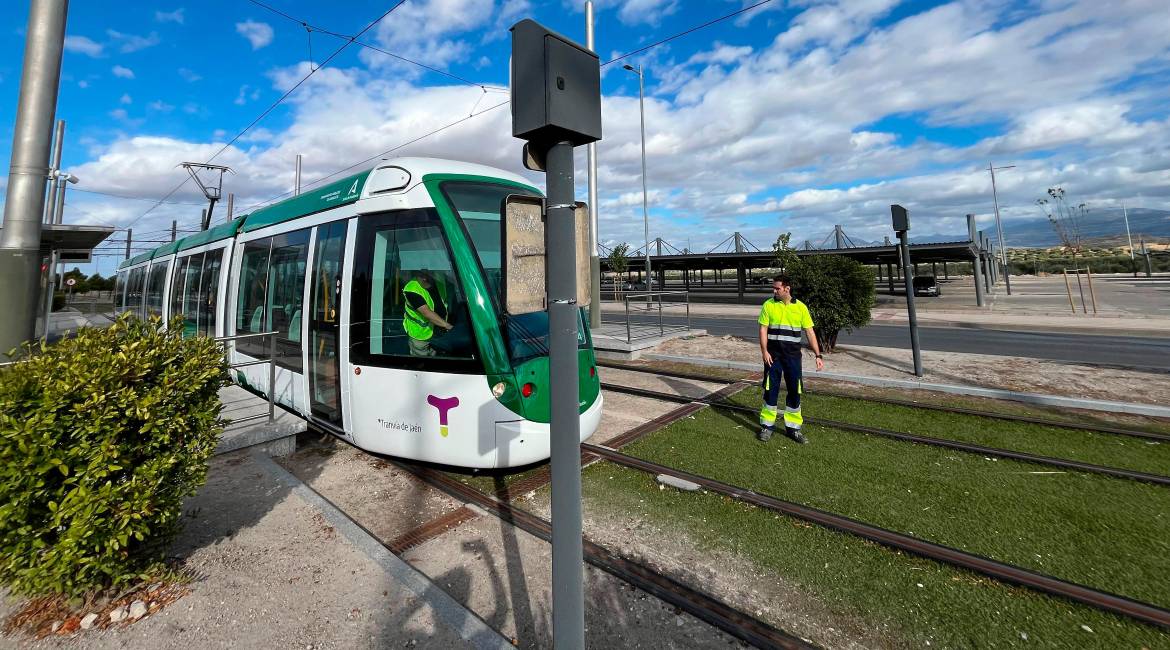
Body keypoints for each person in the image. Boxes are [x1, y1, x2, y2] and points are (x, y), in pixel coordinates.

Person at [757, 274, 824, 444]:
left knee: (795, 391)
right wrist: (764, 351)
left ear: (787, 289)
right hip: (773, 357)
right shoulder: (768, 305)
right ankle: (767, 426)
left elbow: (810, 332)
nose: (774, 290)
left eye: (777, 288)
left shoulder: (801, 308)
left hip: (793, 358)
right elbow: (763, 329)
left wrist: (818, 355)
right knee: (770, 390)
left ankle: (793, 428)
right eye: (774, 287)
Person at [402, 269, 454, 357]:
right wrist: (448, 326)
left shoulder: (439, 279)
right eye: (421, 275)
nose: (425, 278)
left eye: (428, 273)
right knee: (422, 364)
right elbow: (427, 313)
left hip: (438, 331)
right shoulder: (412, 290)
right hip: (420, 335)